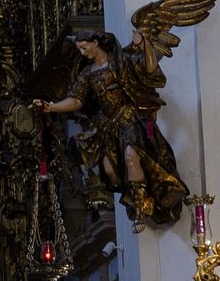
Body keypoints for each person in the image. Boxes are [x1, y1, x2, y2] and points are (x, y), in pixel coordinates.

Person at [32, 31, 191, 226]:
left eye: (84, 47)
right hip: (108, 127)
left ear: (95, 42)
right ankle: (139, 191)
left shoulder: (120, 61)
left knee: (131, 157)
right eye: (79, 49)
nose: (82, 53)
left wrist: (144, 45)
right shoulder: (87, 73)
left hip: (130, 120)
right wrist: (52, 106)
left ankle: (141, 208)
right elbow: (76, 100)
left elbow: (149, 69)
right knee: (110, 172)